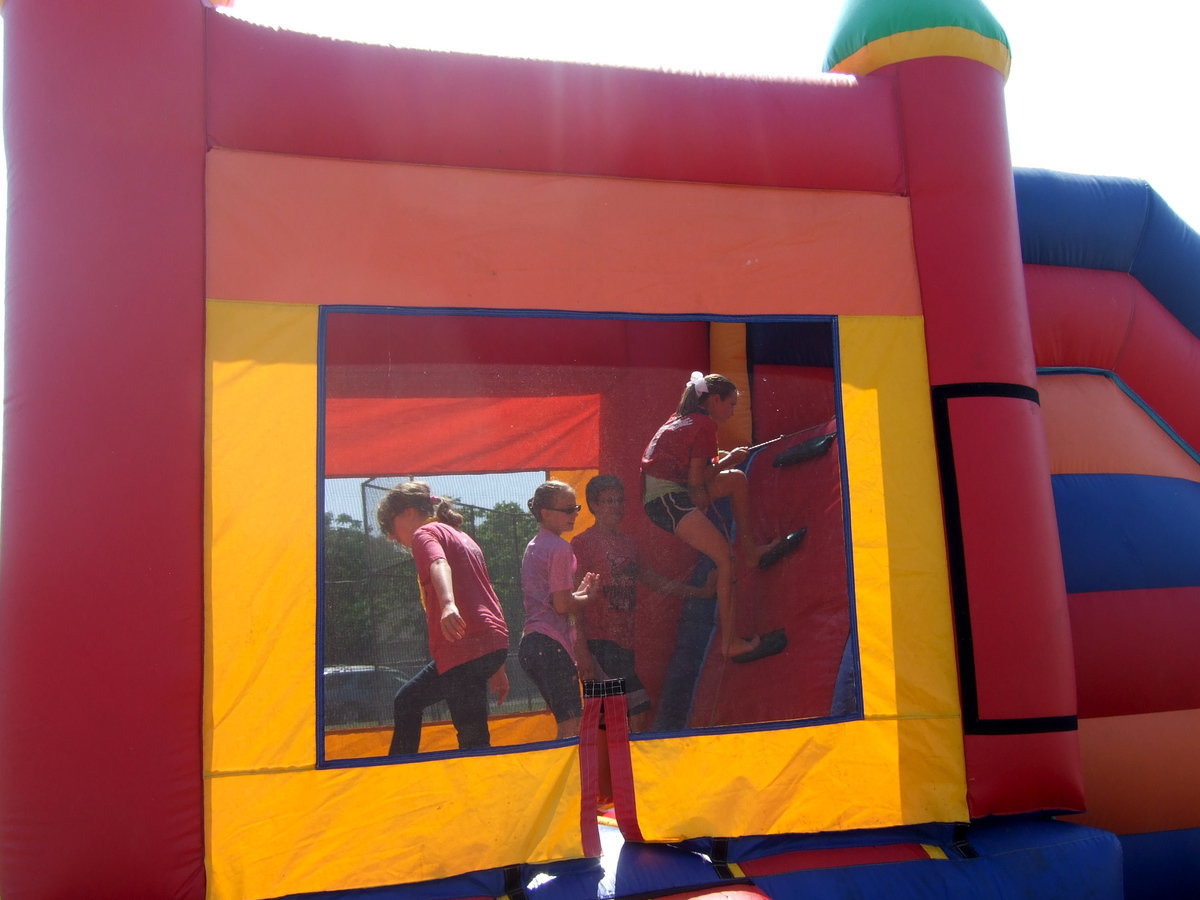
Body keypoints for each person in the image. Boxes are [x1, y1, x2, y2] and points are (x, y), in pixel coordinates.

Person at [641, 371, 801, 662]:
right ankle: (731, 643)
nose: (732, 411)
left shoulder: (682, 418)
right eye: (731, 404)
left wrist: (725, 463)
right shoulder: (703, 424)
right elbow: (696, 483)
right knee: (725, 559)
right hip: (668, 500)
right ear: (714, 400)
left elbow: (692, 473)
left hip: (671, 494)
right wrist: (729, 458)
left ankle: (751, 552)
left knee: (736, 480)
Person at [572, 474, 716, 731]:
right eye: (608, 501)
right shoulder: (582, 543)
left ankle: (619, 765)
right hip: (598, 642)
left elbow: (652, 580)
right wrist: (581, 650)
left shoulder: (627, 543)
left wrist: (699, 592)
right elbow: (574, 599)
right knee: (629, 709)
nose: (616, 507)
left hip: (623, 642)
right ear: (593, 505)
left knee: (618, 713)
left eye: (619, 501)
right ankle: (613, 766)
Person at [376, 482, 510, 756]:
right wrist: (496, 665)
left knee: (409, 702)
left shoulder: (424, 533)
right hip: (489, 643)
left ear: (408, 512)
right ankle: (485, 785)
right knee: (473, 732)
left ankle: (400, 774)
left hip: (464, 647)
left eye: (390, 527)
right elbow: (484, 591)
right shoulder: (460, 535)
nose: (391, 537)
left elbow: (439, 564)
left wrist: (448, 604)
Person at [519, 481, 599, 740]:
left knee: (567, 723)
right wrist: (588, 597)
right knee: (572, 726)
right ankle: (566, 779)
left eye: (575, 508)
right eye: (567, 510)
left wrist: (580, 593)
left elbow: (552, 599)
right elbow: (563, 605)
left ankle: (566, 776)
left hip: (532, 644)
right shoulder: (560, 548)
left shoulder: (535, 545)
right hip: (550, 645)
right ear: (546, 513)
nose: (574, 514)